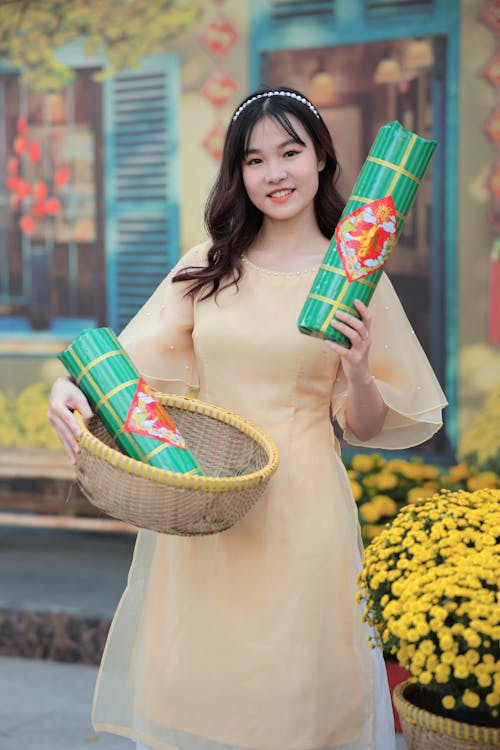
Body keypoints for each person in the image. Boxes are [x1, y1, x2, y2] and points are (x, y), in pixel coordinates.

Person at [48, 87, 447, 750]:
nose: (275, 173)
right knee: (198, 687)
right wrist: (68, 385)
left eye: (290, 152)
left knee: (297, 703)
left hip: (302, 514)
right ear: (239, 174)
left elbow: (369, 427)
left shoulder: (354, 275)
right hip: (209, 507)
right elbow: (123, 359)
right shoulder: (207, 266)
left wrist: (359, 369)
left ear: (321, 156)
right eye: (255, 160)